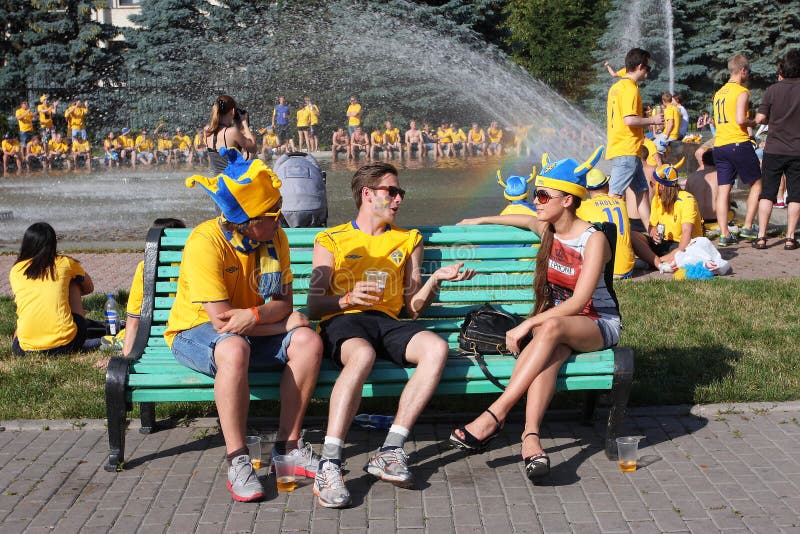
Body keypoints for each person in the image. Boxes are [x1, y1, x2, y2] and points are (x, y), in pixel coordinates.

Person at [306, 162, 476, 508]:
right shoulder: (331, 238)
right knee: (363, 355)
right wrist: (348, 298)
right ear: (367, 194)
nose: (399, 199)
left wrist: (435, 280)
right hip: (346, 319)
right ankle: (330, 461)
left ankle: (391, 449)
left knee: (436, 348)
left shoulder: (408, 239)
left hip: (388, 322)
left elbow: (412, 308)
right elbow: (313, 306)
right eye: (392, 191)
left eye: (401, 193)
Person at [449, 148, 619, 484]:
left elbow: (581, 300)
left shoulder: (593, 238)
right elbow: (523, 219)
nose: (536, 201)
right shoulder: (549, 230)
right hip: (556, 330)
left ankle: (495, 415)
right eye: (536, 194)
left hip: (598, 322)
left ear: (568, 200)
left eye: (543, 195)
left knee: (550, 326)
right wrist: (481, 220)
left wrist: (528, 323)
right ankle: (531, 440)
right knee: (549, 352)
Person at [167, 148, 324, 502]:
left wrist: (256, 317)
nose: (280, 218)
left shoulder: (275, 239)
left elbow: (283, 304)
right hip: (194, 332)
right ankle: (238, 460)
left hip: (248, 329)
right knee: (235, 347)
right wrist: (279, 324)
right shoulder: (206, 241)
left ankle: (289, 448)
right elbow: (223, 322)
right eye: (273, 213)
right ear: (249, 220)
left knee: (308, 342)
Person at [9, 222, 95, 355]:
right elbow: (89, 288)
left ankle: (32, 335)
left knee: (27, 305)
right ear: (53, 243)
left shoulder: (16, 270)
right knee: (73, 283)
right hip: (66, 344)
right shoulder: (65, 263)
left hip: (24, 350)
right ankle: (78, 326)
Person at [606, 48, 664, 232]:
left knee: (642, 191)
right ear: (639, 66)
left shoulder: (618, 86)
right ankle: (610, 237)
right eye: (647, 68)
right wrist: (653, 121)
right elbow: (629, 120)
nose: (648, 72)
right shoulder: (630, 89)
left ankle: (650, 232)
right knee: (614, 196)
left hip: (627, 148)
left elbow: (623, 72)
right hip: (627, 149)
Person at [712, 54, 762, 246]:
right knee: (757, 185)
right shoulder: (741, 91)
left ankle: (724, 234)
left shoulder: (719, 93)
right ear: (742, 71)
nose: (748, 75)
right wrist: (755, 121)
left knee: (724, 190)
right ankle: (748, 226)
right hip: (738, 143)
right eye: (748, 71)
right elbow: (741, 119)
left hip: (720, 145)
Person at [754, 49, 800, 250]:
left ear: (783, 68)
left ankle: (761, 237)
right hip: (798, 150)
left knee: (767, 193)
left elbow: (760, 119)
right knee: (796, 195)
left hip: (773, 148)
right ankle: (790, 238)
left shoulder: (772, 90)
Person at [121, 218, 187, 358]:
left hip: (153, 336)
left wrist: (126, 358)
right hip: (187, 333)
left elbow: (134, 318)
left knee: (121, 335)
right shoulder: (194, 266)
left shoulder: (145, 267)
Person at [631, 161, 703, 272]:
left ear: (662, 186)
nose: (652, 187)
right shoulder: (657, 199)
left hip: (684, 244)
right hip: (665, 243)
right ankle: (658, 263)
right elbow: (652, 226)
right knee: (633, 235)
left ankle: (654, 262)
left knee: (682, 250)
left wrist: (679, 251)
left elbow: (686, 232)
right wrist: (653, 231)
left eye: (652, 184)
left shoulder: (687, 200)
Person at [576, 168, 635, 279]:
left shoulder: (583, 207)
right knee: (632, 234)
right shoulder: (621, 203)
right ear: (607, 185)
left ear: (587, 190)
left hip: (602, 271)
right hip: (626, 270)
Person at [205, 95, 258, 174]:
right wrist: (244, 124)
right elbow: (253, 148)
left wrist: (238, 126)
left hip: (217, 182)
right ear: (233, 111)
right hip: (232, 182)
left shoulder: (208, 132)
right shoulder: (232, 132)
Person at [684, 149, 719, 224]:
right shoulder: (722, 177)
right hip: (717, 219)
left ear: (703, 162)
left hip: (697, 219)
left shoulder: (692, 176)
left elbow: (686, 199)